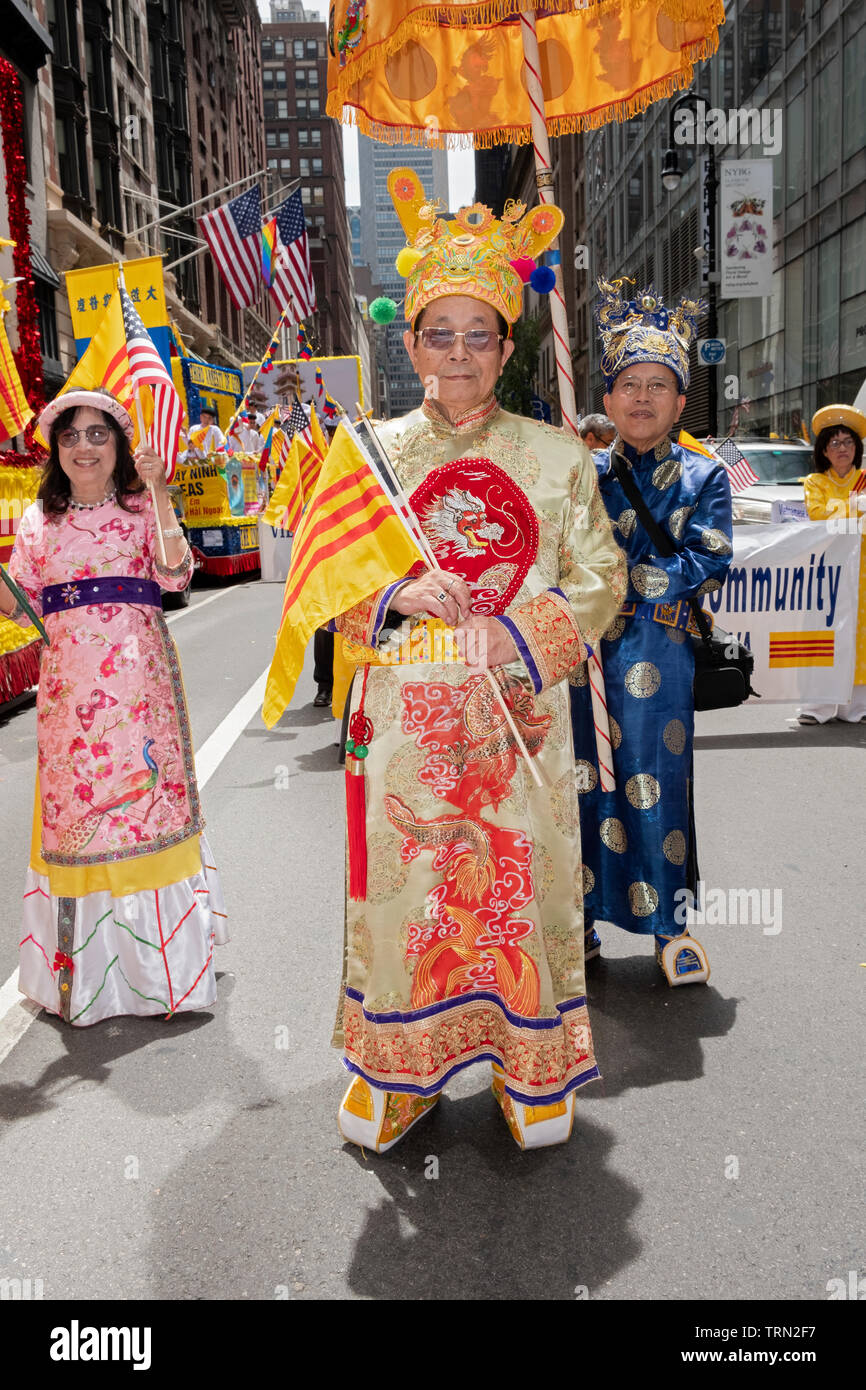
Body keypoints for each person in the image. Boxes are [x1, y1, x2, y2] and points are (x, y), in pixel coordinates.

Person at [329, 174, 626, 1153]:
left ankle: (525, 1065)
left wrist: (523, 629)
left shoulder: (555, 455)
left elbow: (600, 579)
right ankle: (402, 1072)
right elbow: (320, 589)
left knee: (514, 887)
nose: (456, 351)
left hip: (517, 726)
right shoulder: (363, 455)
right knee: (410, 898)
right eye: (437, 331)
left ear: (508, 345)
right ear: (407, 341)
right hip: (403, 726)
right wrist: (391, 597)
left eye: (477, 333)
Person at [0, 388, 228, 1026]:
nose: (84, 448)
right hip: (69, 697)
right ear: (57, 452)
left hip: (140, 689)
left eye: (98, 434)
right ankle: (84, 976)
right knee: (80, 816)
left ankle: (163, 976)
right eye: (70, 437)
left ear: (120, 445)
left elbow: (177, 573)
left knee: (143, 806)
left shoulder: (138, 509)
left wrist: (157, 492)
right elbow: (21, 605)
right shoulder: (37, 521)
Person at [570, 280, 733, 986]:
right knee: (583, 785)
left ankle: (671, 927)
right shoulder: (583, 476)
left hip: (659, 654)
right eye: (628, 384)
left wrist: (629, 582)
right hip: (583, 658)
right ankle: (579, 923)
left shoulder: (705, 475)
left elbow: (710, 555)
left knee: (656, 784)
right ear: (607, 400)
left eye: (658, 385)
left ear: (678, 399)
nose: (641, 397)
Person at [796, 405, 866, 724]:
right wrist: (853, 507)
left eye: (848, 442)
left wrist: (845, 510)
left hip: (862, 571)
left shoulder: (864, 480)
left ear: (857, 448)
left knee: (860, 636)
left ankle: (856, 706)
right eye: (835, 443)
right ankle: (818, 706)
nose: (842, 449)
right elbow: (818, 517)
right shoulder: (815, 482)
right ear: (824, 450)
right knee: (825, 632)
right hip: (827, 572)